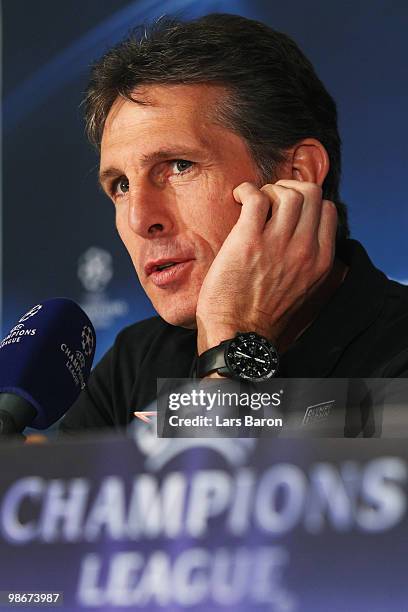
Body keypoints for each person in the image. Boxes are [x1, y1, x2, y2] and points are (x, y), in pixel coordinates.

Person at [59, 13, 408, 435]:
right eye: (120, 185)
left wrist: (231, 342)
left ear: (297, 175)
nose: (139, 219)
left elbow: (212, 497)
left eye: (179, 166)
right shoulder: (134, 362)